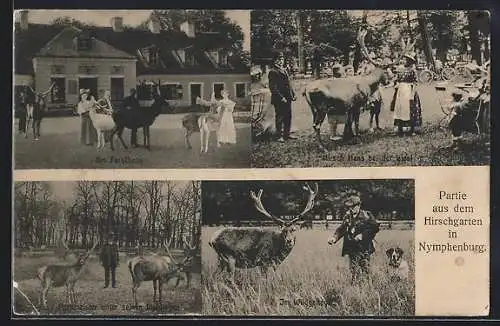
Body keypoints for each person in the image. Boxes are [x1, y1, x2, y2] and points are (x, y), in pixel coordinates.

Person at [328, 191, 380, 283]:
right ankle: (355, 287)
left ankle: (366, 288)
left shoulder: (367, 215)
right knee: (353, 270)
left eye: (353, 206)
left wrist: (363, 235)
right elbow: (341, 229)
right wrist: (334, 238)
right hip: (352, 248)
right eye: (349, 207)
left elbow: (374, 228)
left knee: (365, 269)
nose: (351, 209)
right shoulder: (347, 217)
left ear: (359, 205)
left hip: (364, 248)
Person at [390, 53, 422, 136]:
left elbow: (415, 83)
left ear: (409, 61)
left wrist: (412, 94)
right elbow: (395, 79)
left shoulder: (412, 70)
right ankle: (400, 128)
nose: (403, 61)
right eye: (403, 59)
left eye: (405, 59)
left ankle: (411, 129)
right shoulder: (400, 69)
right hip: (401, 90)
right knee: (399, 108)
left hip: (408, 90)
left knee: (408, 109)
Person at [268, 51, 297, 142]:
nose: (280, 61)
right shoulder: (273, 72)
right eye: (278, 60)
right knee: (280, 117)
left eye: (281, 59)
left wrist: (293, 94)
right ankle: (279, 136)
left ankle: (287, 134)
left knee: (288, 116)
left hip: (287, 97)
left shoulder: (284, 70)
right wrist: (281, 97)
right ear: (274, 61)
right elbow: (273, 87)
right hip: (279, 98)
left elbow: (289, 84)